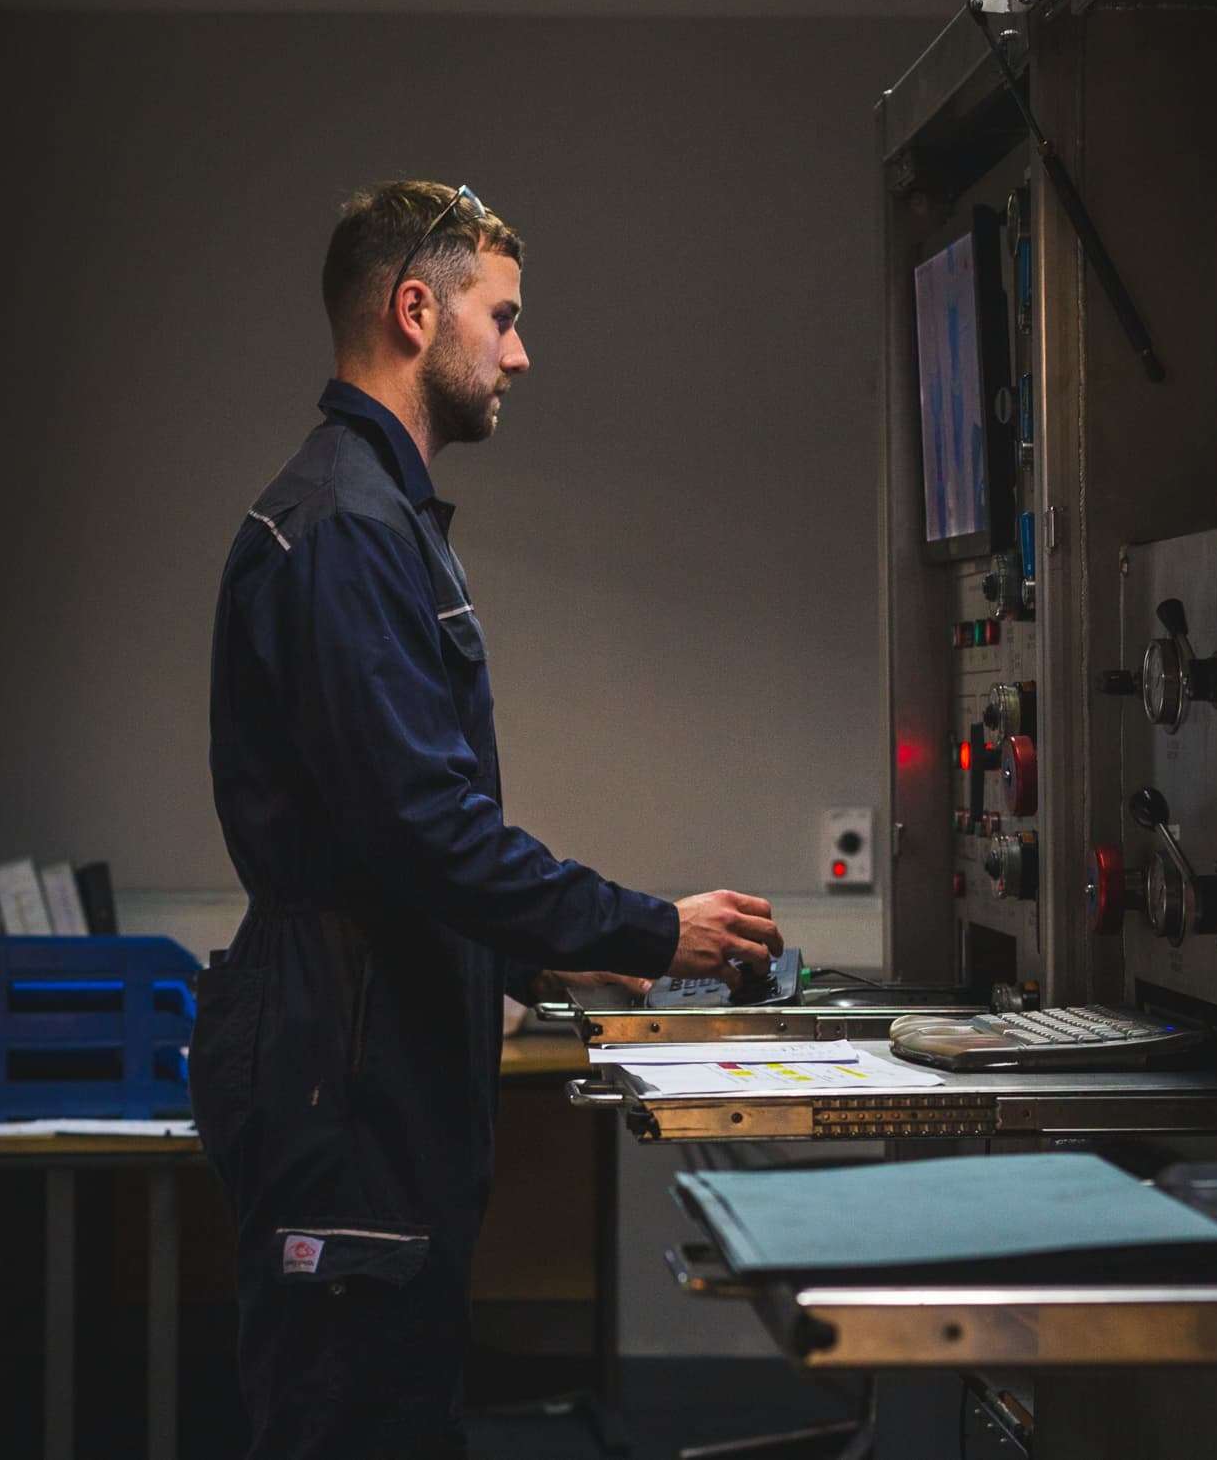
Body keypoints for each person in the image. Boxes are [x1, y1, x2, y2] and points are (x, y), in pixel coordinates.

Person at [196, 179, 784, 1457]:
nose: (519, 351)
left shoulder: (382, 518)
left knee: (395, 1413)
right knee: (351, 1426)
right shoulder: (347, 526)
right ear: (417, 311)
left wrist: (551, 952)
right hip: (340, 1071)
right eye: (501, 316)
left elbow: (392, 839)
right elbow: (419, 828)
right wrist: (647, 929)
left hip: (373, 1045)